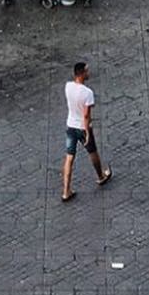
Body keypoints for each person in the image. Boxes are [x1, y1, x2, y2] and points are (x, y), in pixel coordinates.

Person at [61, 59, 111, 201]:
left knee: (69, 157)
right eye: (87, 71)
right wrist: (88, 132)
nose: (89, 73)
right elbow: (86, 115)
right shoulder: (88, 93)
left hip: (70, 125)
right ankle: (101, 176)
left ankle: (66, 191)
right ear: (81, 74)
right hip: (82, 128)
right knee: (92, 151)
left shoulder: (67, 87)